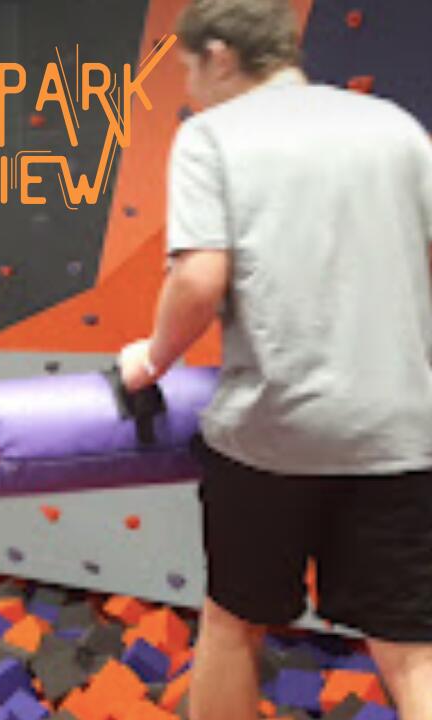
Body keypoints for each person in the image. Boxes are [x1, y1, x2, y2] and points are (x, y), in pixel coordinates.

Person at [118, 1, 432, 718]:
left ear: (220, 55)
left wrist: (151, 360)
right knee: (412, 650)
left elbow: (199, 279)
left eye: (188, 69)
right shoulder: (395, 128)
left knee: (233, 623)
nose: (189, 89)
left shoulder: (212, 137)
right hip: (399, 432)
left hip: (272, 436)